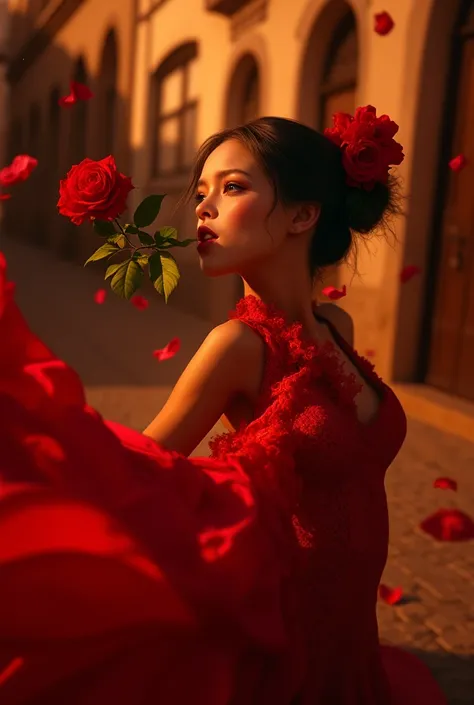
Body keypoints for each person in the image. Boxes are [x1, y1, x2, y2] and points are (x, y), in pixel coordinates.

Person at [0, 109, 447, 705]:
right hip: (288, 635)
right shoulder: (237, 346)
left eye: (231, 187)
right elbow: (144, 468)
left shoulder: (337, 323)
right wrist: (40, 436)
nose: (202, 209)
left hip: (351, 633)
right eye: (202, 191)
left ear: (303, 214)